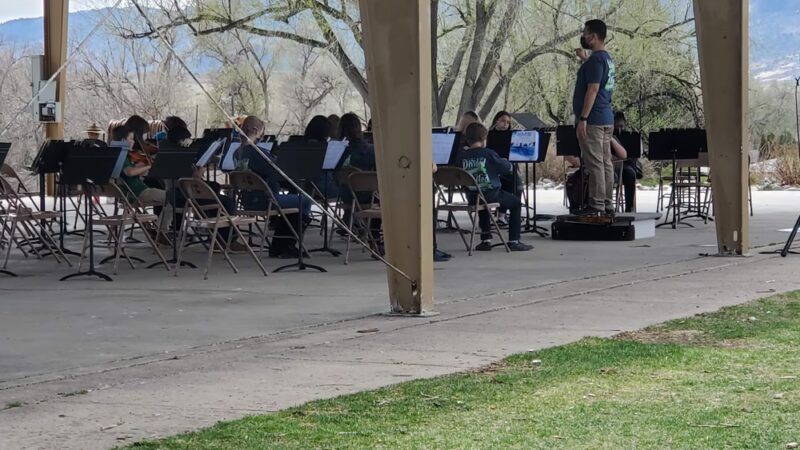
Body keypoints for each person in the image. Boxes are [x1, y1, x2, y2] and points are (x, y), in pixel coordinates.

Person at [239, 115, 311, 258]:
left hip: (247, 200)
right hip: (265, 200)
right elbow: (278, 172)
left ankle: (280, 245)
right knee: (304, 201)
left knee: (293, 202)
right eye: (262, 131)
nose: (262, 134)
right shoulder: (258, 153)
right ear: (255, 130)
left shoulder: (237, 153)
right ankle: (285, 245)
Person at [458, 123, 532, 252]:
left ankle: (485, 240)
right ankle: (514, 240)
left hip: (472, 196)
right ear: (483, 138)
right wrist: (505, 162)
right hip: (491, 194)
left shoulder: (461, 156)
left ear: (467, 139)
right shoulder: (488, 154)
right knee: (516, 203)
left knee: (482, 203)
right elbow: (507, 168)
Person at [572, 19, 616, 215]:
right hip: (606, 117)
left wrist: (583, 118)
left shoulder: (596, 60)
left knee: (595, 162)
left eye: (585, 33)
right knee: (605, 162)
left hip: (594, 120)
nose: (583, 36)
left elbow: (593, 89)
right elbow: (599, 78)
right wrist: (585, 60)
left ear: (594, 36)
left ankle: (596, 204)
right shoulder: (606, 59)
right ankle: (607, 202)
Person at [114, 124, 172, 241]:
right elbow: (129, 172)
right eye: (131, 138)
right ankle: (161, 231)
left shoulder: (115, 154)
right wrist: (149, 166)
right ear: (123, 140)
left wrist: (141, 169)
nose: (133, 141)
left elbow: (128, 173)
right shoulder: (122, 155)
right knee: (172, 197)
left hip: (126, 194)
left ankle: (155, 229)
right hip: (137, 192)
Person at [489, 110, 523, 226]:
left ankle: (504, 216)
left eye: (508, 122)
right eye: (503, 121)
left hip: (508, 167)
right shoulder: (489, 135)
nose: (505, 124)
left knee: (517, 185)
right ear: (496, 121)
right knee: (499, 185)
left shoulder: (512, 135)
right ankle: (495, 215)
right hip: (492, 168)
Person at [614, 112, 639, 213]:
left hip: (625, 166)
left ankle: (629, 208)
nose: (619, 129)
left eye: (621, 126)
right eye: (617, 126)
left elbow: (633, 157)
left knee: (630, 174)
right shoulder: (607, 135)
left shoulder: (629, 137)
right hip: (610, 166)